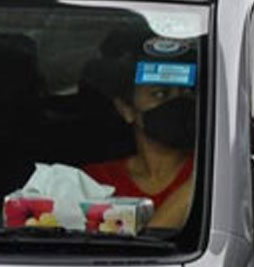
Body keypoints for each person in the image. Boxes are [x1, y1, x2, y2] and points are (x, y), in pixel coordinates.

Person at [82, 28, 198, 228]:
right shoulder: (96, 184)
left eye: (187, 93)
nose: (177, 102)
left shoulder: (215, 171)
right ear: (126, 109)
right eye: (160, 94)